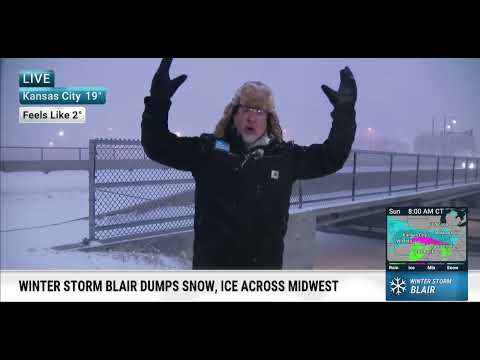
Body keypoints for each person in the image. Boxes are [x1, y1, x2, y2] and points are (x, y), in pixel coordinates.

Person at [141, 58, 357, 270]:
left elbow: (332, 156)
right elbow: (158, 146)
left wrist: (344, 113)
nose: (251, 117)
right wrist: (158, 102)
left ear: (268, 119)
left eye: (259, 111)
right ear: (233, 115)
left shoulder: (285, 158)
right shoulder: (207, 151)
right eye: (245, 109)